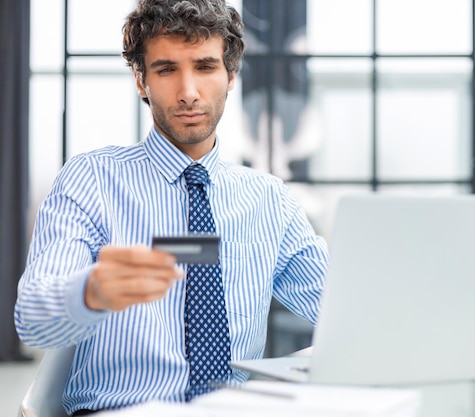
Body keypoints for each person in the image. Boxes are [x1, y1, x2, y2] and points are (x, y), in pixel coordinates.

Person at [14, 0, 328, 414]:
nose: (188, 92)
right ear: (141, 80)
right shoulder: (91, 180)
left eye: (204, 67)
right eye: (166, 70)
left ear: (231, 75)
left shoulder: (270, 199)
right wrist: (91, 292)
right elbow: (33, 318)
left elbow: (339, 305)